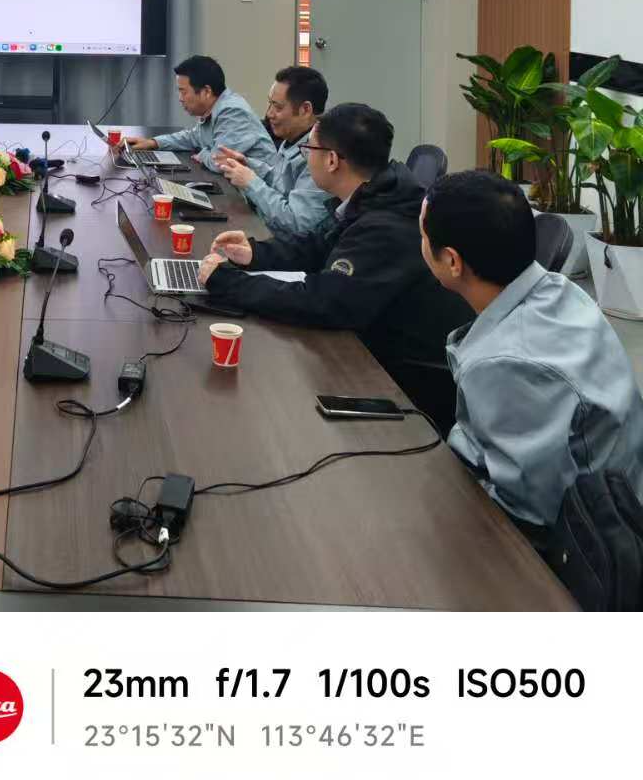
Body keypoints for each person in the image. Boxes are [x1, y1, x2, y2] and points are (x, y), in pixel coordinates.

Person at [197, 102, 464, 430]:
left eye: (309, 149)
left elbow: (324, 301)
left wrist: (228, 283)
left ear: (332, 160)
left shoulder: (386, 224)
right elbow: (318, 247)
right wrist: (253, 254)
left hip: (405, 387)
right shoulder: (377, 194)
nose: (306, 157)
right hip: (373, 347)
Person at [421, 170, 643, 532]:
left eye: (422, 236)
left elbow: (528, 516)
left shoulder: (507, 365)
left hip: (585, 543)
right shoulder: (558, 288)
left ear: (452, 261)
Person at [214, 65, 335, 235]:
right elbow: (281, 183)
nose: (269, 114)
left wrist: (250, 182)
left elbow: (298, 223)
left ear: (305, 109)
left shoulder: (318, 154)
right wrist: (248, 165)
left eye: (278, 107)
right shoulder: (292, 139)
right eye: (270, 104)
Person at [125, 54, 276, 177]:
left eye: (183, 91)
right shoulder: (216, 107)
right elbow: (193, 137)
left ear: (206, 91)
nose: (180, 98)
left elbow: (219, 162)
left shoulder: (232, 112)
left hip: (259, 197)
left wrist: (202, 154)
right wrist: (153, 143)